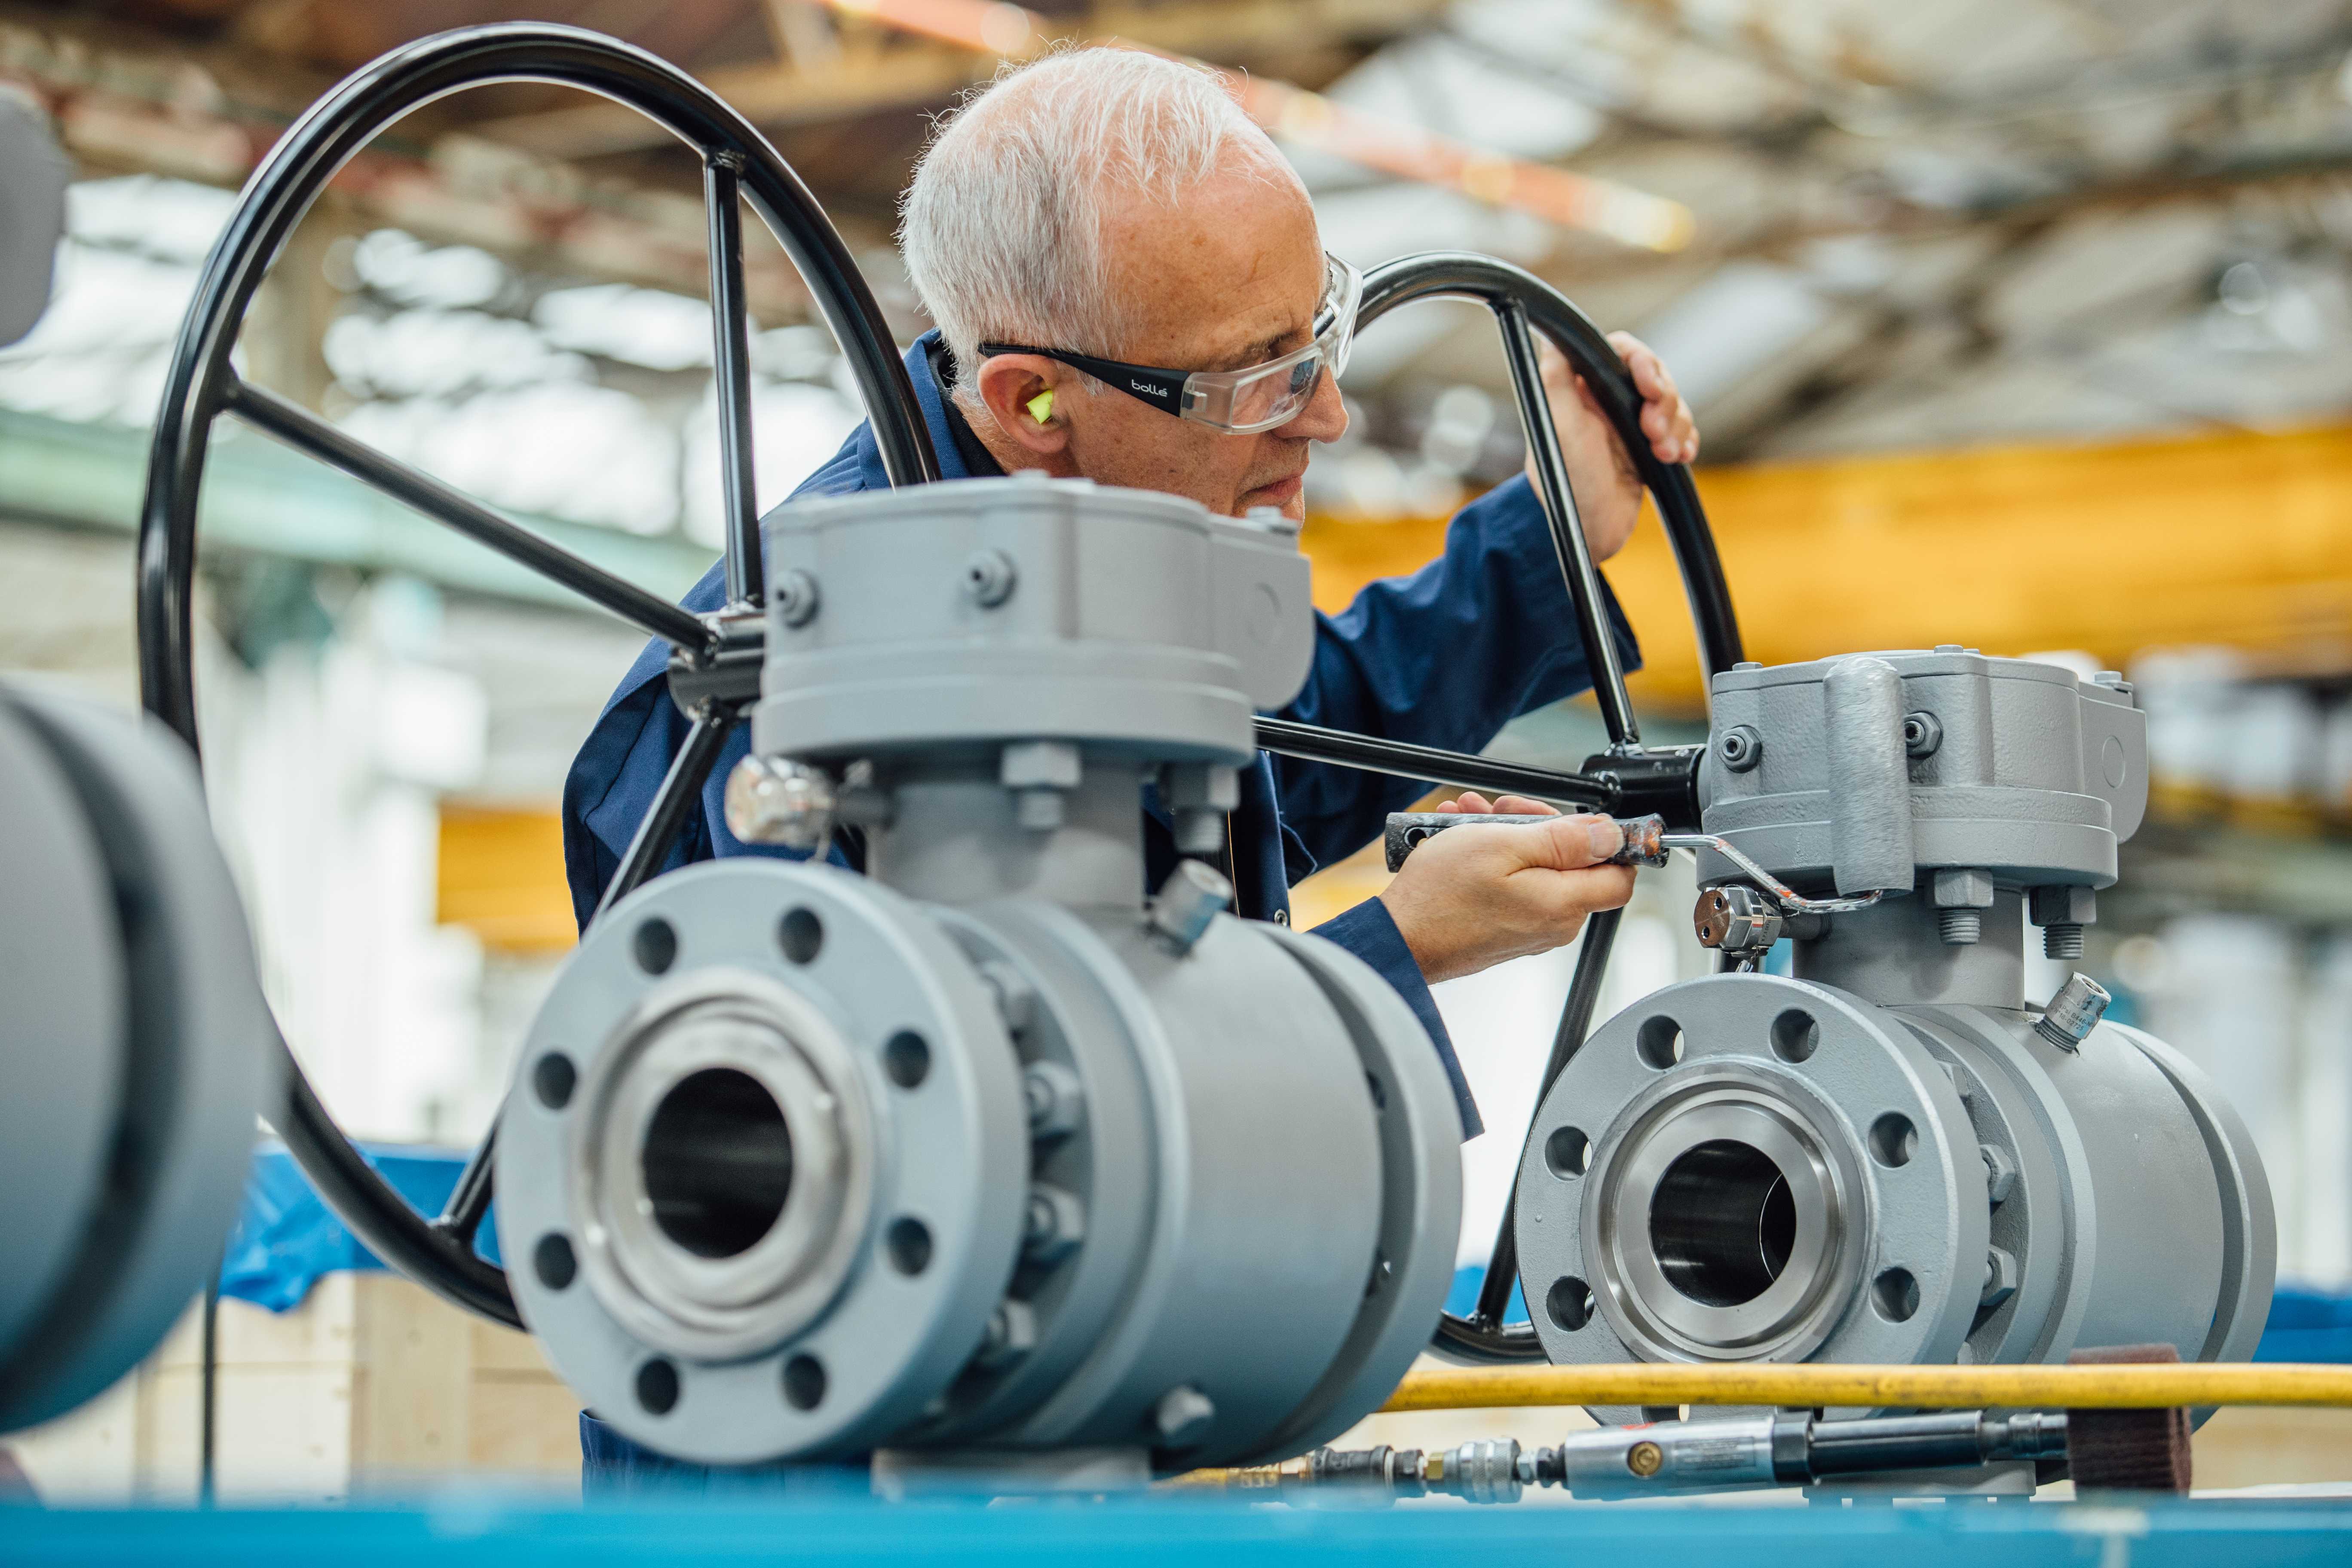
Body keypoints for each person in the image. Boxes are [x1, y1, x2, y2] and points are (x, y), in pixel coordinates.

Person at [565, 46, 1698, 1482]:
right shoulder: (767, 703)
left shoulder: (1080, 550)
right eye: (1260, 382)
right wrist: (1395, 962)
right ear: (1036, 401)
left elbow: (1273, 749)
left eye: (1323, 335)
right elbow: (950, 1164)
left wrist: (1545, 539)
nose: (1329, 417)